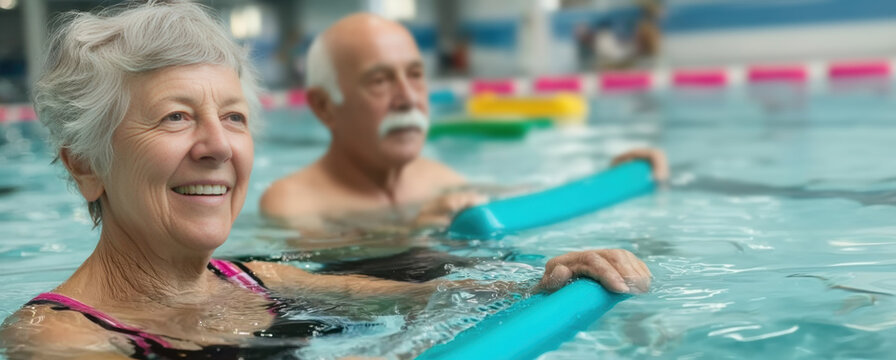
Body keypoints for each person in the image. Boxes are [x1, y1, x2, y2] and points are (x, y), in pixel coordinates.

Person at [0, 2, 652, 359]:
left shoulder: (256, 280)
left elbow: (438, 298)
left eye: (233, 117)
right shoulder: (60, 340)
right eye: (175, 118)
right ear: (84, 164)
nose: (219, 146)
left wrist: (543, 279)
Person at [259, 13, 669, 233]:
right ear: (325, 107)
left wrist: (612, 175)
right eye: (380, 80)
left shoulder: (437, 177)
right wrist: (416, 233)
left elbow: (533, 196)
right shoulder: (293, 202)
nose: (408, 97)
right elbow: (330, 285)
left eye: (416, 74)